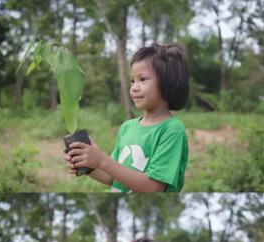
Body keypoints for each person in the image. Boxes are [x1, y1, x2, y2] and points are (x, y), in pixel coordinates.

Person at [64, 43, 189, 192]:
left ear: (167, 82)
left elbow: (153, 187)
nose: (134, 87)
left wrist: (103, 161)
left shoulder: (171, 129)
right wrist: (91, 165)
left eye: (142, 79)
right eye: (132, 81)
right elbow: (114, 178)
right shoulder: (126, 127)